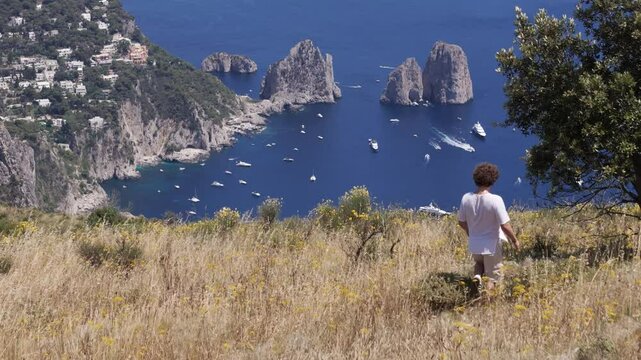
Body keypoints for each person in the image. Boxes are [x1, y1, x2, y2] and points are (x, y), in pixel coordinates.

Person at [457, 163, 520, 289]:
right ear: (493, 180)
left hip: (474, 242)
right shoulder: (495, 200)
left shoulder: (466, 198)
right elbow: (505, 225)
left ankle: (477, 277)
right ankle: (488, 301)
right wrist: (515, 240)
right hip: (491, 244)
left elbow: (461, 221)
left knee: (479, 264)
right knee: (494, 276)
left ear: (476, 179)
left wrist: (470, 232)